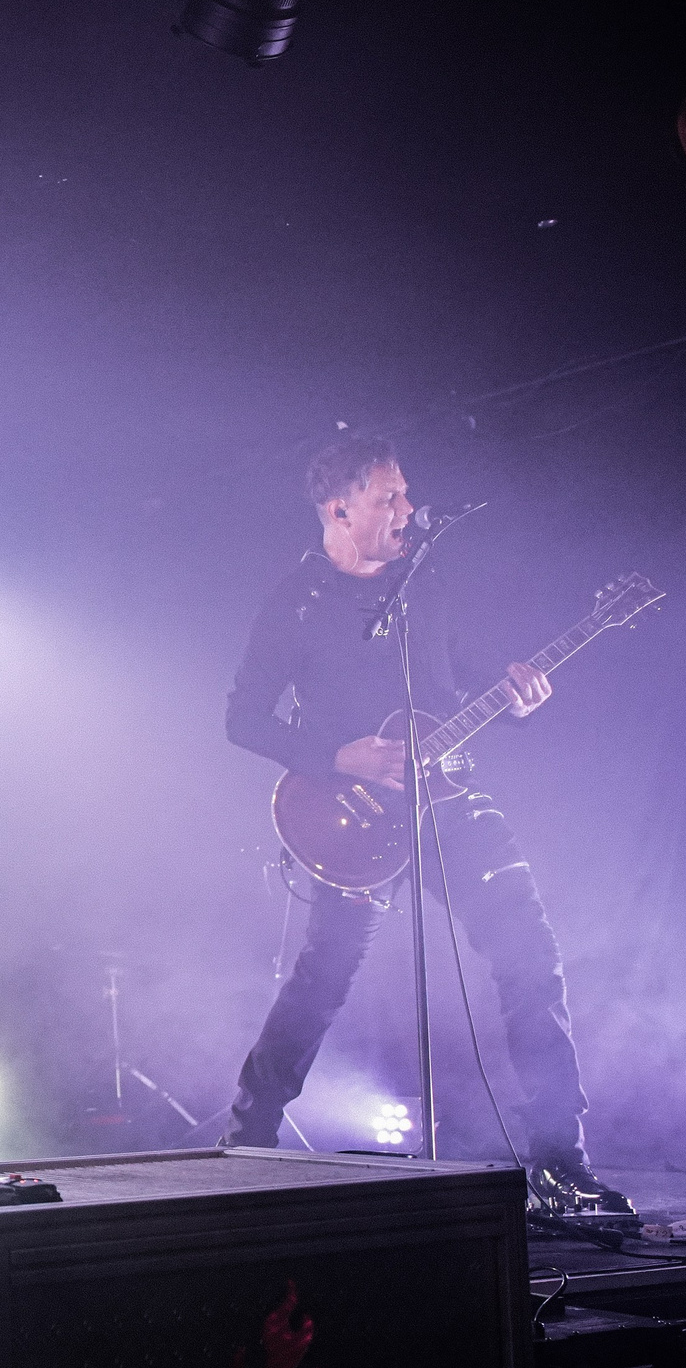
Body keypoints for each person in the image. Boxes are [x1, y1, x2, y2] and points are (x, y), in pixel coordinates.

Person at [219, 434, 633, 1220]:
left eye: (407, 493)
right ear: (339, 509)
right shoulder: (293, 603)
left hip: (447, 799)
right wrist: (334, 751)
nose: (409, 510)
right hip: (352, 819)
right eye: (389, 498)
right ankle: (246, 1140)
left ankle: (561, 1163)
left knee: (529, 955)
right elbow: (241, 716)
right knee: (322, 979)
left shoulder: (426, 579)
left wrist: (511, 699)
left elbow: (457, 679)